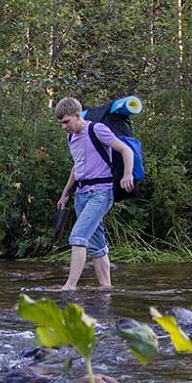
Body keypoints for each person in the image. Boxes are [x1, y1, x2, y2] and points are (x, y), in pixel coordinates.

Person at [55, 97, 134, 291]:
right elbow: (77, 167)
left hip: (100, 193)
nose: (64, 127)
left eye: (67, 122)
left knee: (78, 236)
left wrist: (127, 174)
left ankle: (69, 286)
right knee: (96, 246)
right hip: (81, 195)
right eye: (61, 123)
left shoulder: (97, 130)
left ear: (77, 115)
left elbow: (126, 150)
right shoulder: (71, 138)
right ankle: (106, 289)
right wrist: (65, 194)